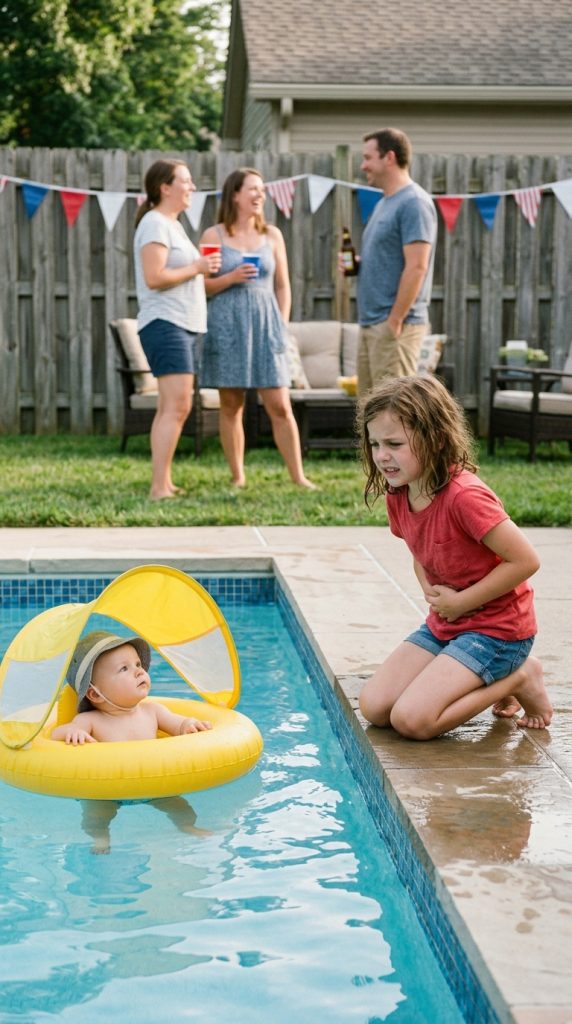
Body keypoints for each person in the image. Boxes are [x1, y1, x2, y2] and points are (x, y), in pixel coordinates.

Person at [357, 375, 553, 740]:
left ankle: (521, 677)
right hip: (448, 623)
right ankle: (487, 673)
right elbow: (419, 550)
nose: (382, 455)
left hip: (498, 631)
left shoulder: (465, 497)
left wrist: (462, 602)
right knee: (375, 706)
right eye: (375, 444)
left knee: (413, 721)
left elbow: (526, 561)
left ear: (437, 440)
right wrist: (432, 593)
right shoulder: (399, 493)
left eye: (394, 444)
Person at [199, 167, 315, 489]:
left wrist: (281, 324)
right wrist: (230, 278)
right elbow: (201, 285)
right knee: (231, 405)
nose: (259, 195)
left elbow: (282, 285)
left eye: (262, 190)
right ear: (235, 195)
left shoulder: (272, 235)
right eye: (252, 189)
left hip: (267, 326)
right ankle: (238, 476)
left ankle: (299, 477)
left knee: (280, 405)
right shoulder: (214, 236)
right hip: (227, 325)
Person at [51, 631, 212, 853]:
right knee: (95, 816)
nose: (139, 671)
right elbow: (56, 735)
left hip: (154, 786)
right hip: (105, 792)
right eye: (124, 669)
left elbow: (179, 725)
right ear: (95, 694)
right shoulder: (90, 720)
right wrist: (72, 731)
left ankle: (187, 826)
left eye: (138, 664)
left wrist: (189, 725)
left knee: (179, 805)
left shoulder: (153, 711)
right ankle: (100, 838)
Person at [134, 159, 222, 499]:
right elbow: (154, 277)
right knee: (177, 406)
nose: (193, 188)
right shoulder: (155, 224)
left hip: (183, 324)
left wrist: (200, 268)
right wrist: (197, 267)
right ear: (165, 188)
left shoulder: (171, 224)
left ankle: (164, 481)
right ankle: (159, 487)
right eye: (186, 181)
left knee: (172, 406)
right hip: (166, 323)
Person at [340, 128, 437, 396]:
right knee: (369, 410)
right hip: (371, 323)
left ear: (389, 158)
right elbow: (391, 257)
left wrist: (395, 321)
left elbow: (417, 266)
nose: (363, 166)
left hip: (395, 325)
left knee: (395, 410)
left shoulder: (414, 203)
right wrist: (359, 264)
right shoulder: (385, 203)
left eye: (368, 158)